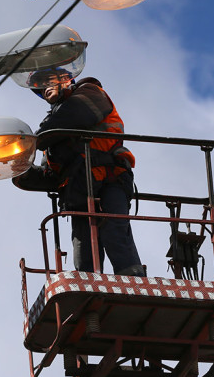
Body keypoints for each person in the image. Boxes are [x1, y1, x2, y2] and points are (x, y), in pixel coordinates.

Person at [26, 71, 144, 276]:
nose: (44, 89)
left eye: (49, 82)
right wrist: (17, 169)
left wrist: (32, 140)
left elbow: (74, 115)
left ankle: (132, 281)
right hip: (79, 189)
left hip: (110, 178)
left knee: (114, 230)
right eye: (39, 88)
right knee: (83, 245)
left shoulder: (90, 93)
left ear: (65, 79)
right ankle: (88, 287)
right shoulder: (52, 128)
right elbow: (51, 175)